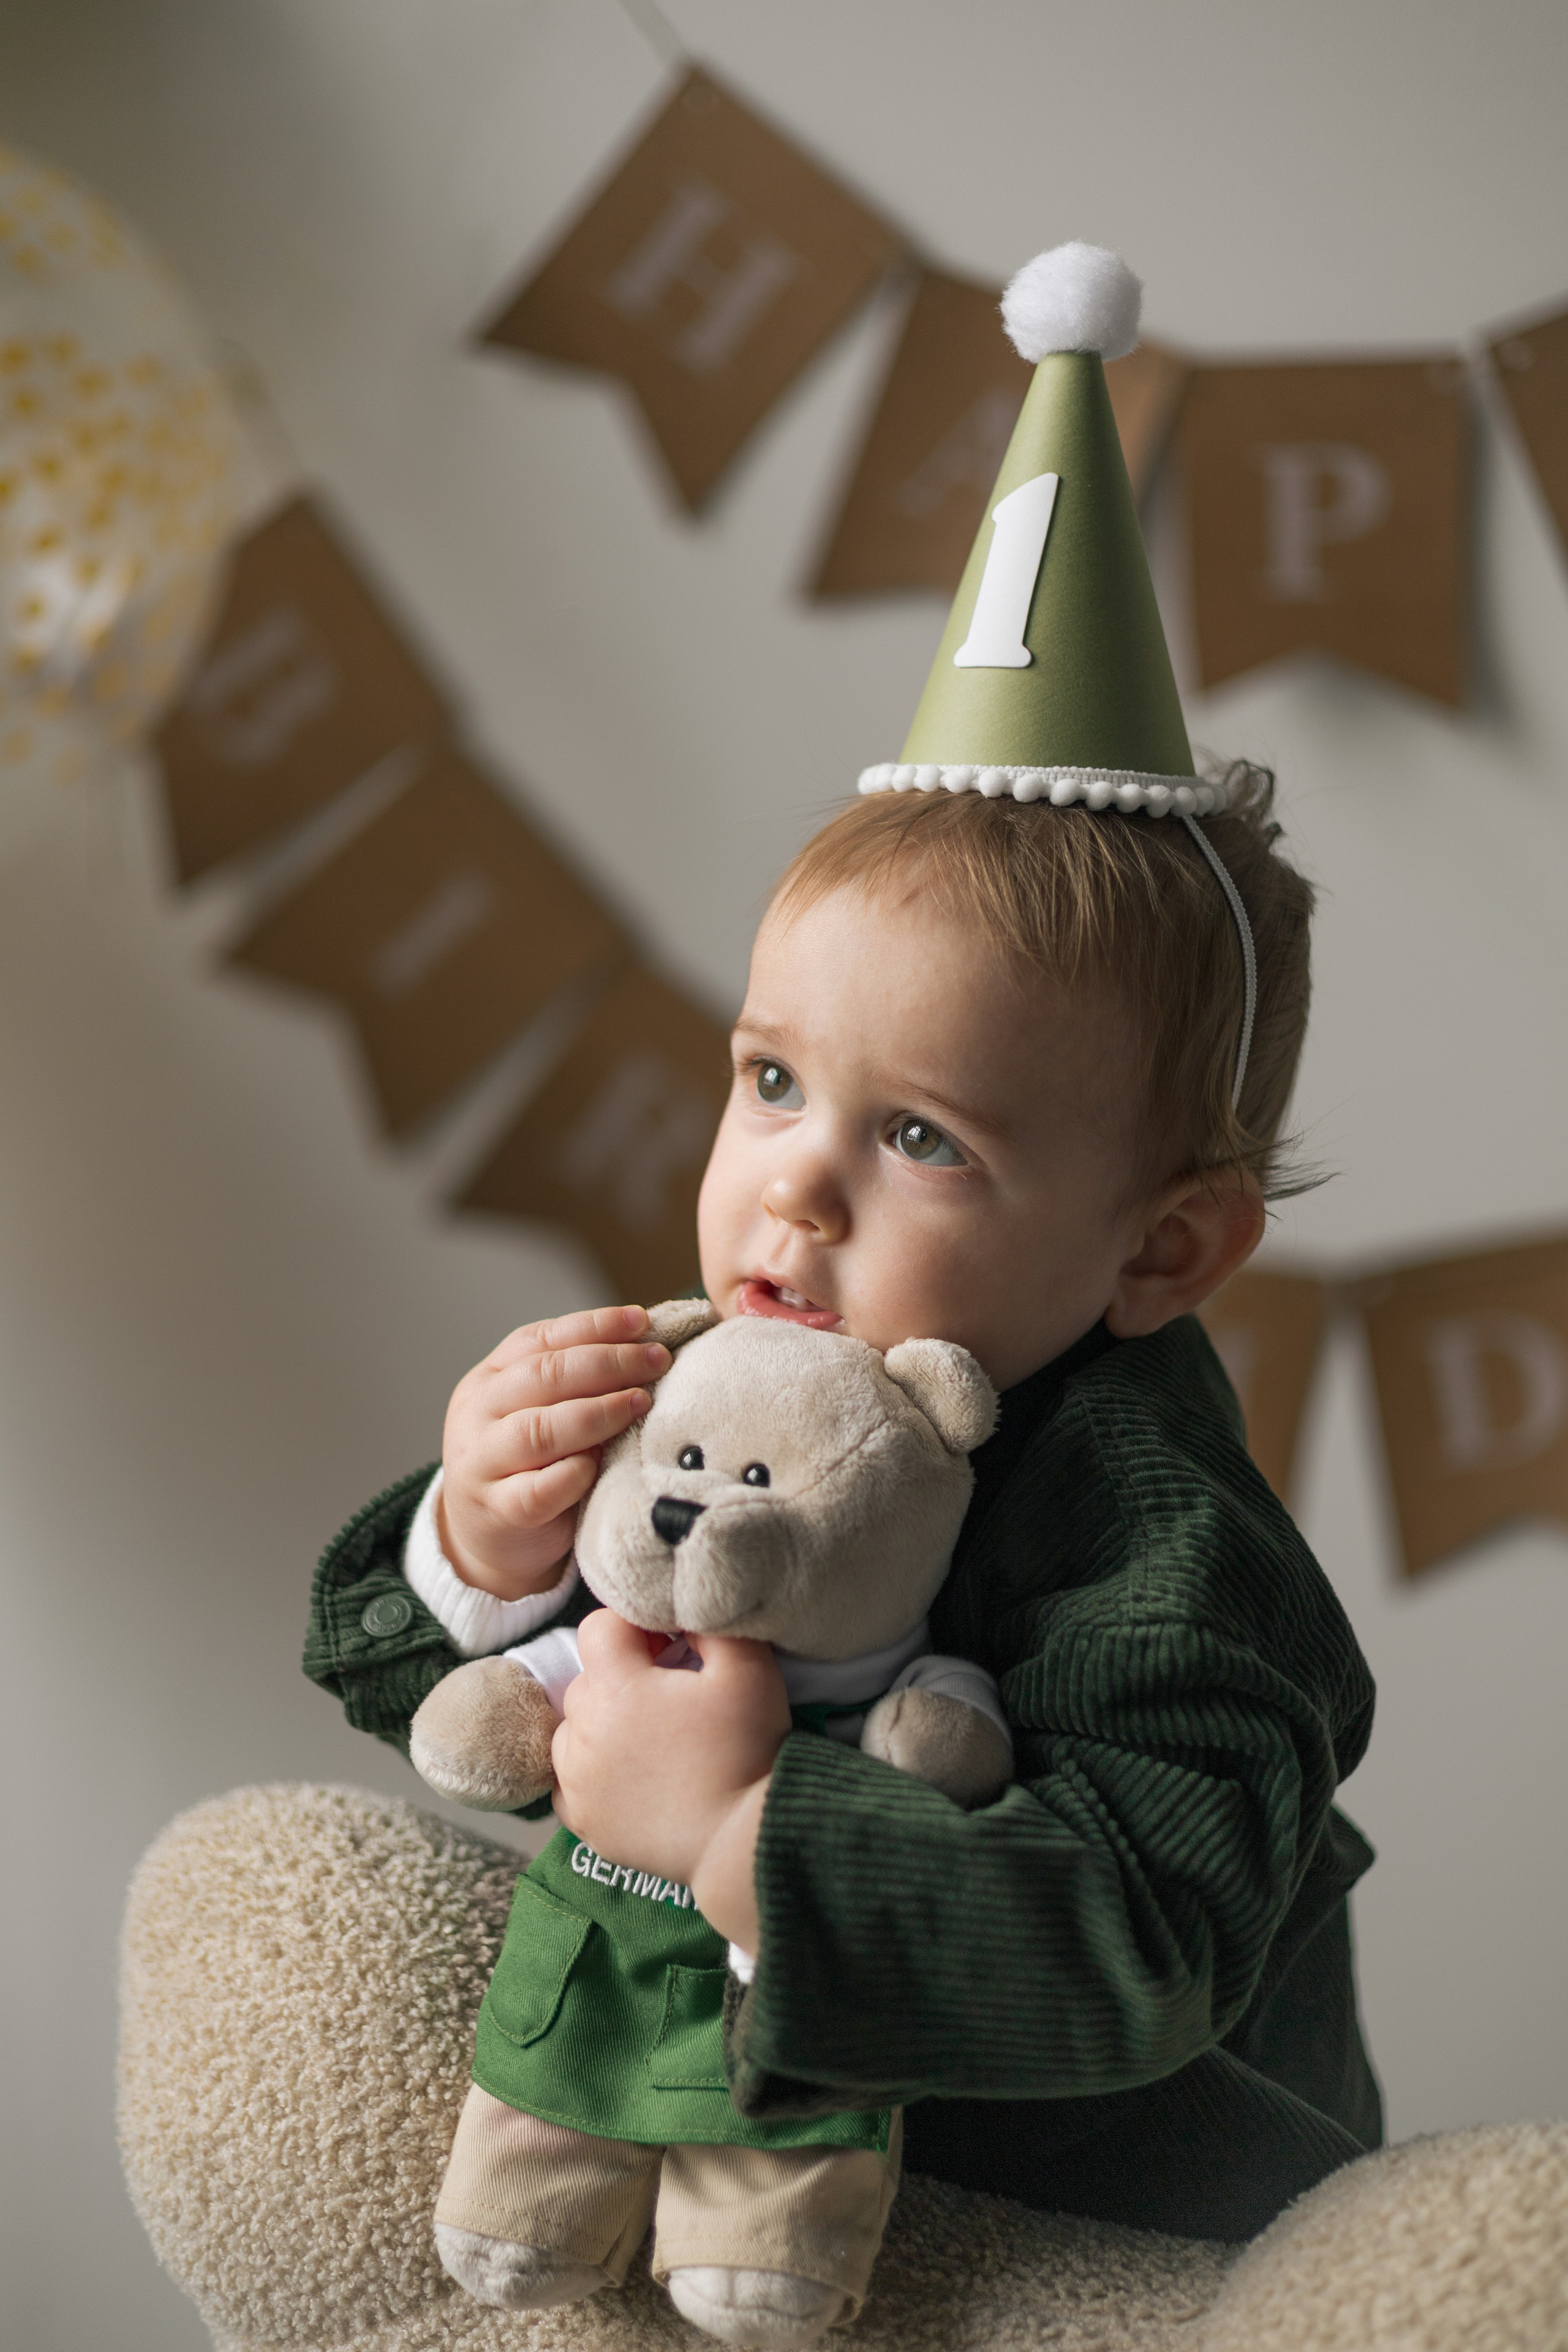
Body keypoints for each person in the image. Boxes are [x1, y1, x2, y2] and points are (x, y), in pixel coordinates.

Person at [304, 246, 1379, 2335]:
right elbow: (439, 1700)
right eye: (772, 1080)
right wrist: (473, 1539)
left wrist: (739, 1830)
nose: (788, 1179)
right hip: (712, 2149)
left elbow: (1137, 1948)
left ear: (1162, 1246)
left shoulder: (1165, 1553)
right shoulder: (733, 1373)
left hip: (1105, 2231)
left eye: (920, 1138)